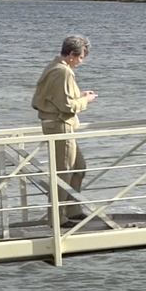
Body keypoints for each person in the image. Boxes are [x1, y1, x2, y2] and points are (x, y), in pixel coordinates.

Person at [31, 35, 98, 226]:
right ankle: (57, 217)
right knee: (64, 172)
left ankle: (72, 209)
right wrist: (86, 101)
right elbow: (67, 106)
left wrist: (80, 95)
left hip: (58, 124)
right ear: (70, 54)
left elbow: (54, 97)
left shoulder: (54, 67)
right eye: (80, 57)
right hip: (60, 125)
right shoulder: (63, 71)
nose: (80, 62)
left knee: (79, 167)